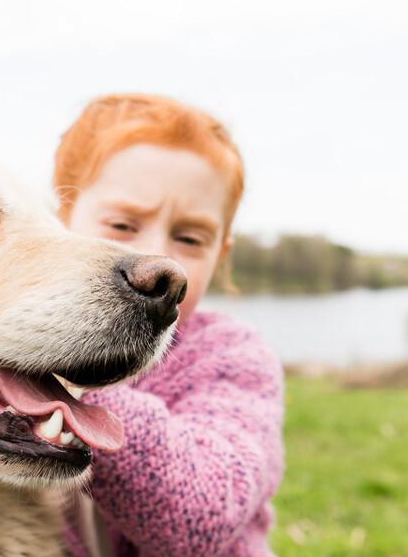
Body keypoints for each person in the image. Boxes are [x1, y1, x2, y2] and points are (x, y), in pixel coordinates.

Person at [55, 94, 285, 557]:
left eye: (190, 238)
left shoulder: (231, 356)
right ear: (61, 223)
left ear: (220, 254)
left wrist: (70, 379)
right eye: (122, 225)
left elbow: (199, 515)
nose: (158, 257)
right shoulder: (8, 344)